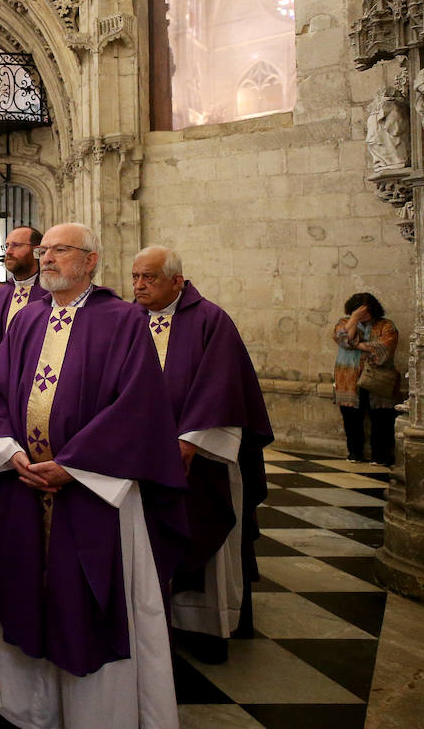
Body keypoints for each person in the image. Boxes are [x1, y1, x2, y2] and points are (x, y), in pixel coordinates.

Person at [0, 223, 186, 729]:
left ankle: (98, 717)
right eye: (43, 251)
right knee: (27, 590)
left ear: (90, 261)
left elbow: (137, 407)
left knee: (90, 602)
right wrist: (9, 452)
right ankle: (30, 709)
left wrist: (74, 465)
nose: (45, 259)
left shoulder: (123, 321)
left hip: (93, 494)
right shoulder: (24, 321)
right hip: (26, 487)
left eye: (58, 251)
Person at [132, 246, 273, 665]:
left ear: (177, 281)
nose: (138, 286)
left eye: (150, 278)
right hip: (140, 457)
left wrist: (191, 441)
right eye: (135, 277)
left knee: (202, 536)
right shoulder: (126, 320)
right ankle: (152, 619)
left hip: (197, 456)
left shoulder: (211, 320)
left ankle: (206, 627)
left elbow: (223, 386)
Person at [332, 292, 400, 466]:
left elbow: (384, 347)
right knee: (351, 417)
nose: (363, 315)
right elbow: (343, 340)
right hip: (349, 379)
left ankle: (381, 455)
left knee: (382, 418)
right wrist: (353, 320)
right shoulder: (343, 323)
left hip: (378, 379)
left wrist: (357, 345)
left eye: (365, 311)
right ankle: (355, 453)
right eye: (358, 311)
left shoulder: (386, 325)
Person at [0, 226, 47, 347]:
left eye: (16, 245)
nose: (8, 252)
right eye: (6, 246)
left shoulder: (51, 293)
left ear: (36, 251)